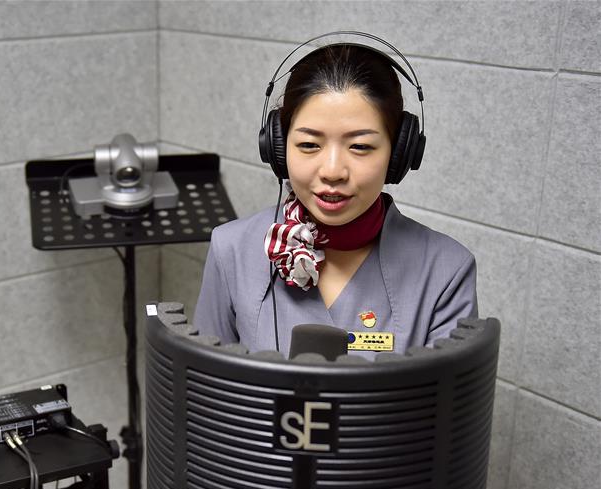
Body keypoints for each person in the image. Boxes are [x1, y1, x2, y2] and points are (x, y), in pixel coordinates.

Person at [194, 40, 477, 360]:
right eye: (309, 145)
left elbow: (446, 407)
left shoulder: (447, 270)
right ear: (278, 148)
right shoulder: (231, 249)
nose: (332, 171)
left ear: (398, 155)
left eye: (360, 147)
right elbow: (203, 394)